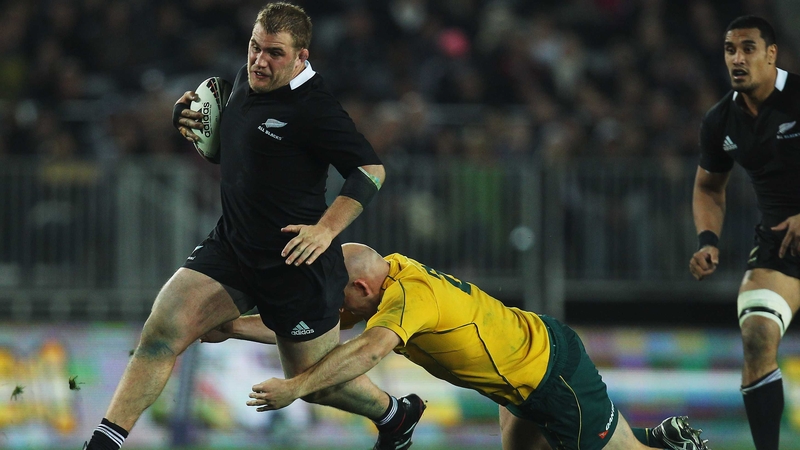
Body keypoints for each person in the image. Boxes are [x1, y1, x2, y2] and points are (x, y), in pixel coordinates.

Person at [83, 4, 425, 450]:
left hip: (294, 262)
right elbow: (241, 148)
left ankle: (395, 415)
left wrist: (324, 231)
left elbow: (371, 170)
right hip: (233, 245)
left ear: (302, 56)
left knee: (312, 382)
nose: (259, 60)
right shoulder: (246, 78)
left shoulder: (315, 108)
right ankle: (104, 442)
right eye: (254, 47)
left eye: (275, 53)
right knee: (161, 333)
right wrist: (189, 120)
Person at [206, 243, 711, 450]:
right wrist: (231, 328)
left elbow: (362, 353)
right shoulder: (389, 274)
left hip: (550, 377)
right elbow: (311, 328)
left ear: (359, 290)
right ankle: (659, 435)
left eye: (333, 295)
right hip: (529, 370)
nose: (326, 308)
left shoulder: (408, 300)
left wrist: (295, 388)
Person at [688, 15, 800, 450]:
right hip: (780, 248)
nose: (737, 58)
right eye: (731, 50)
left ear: (772, 54)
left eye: (748, 48)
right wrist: (708, 241)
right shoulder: (720, 121)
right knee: (756, 335)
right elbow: (708, 186)